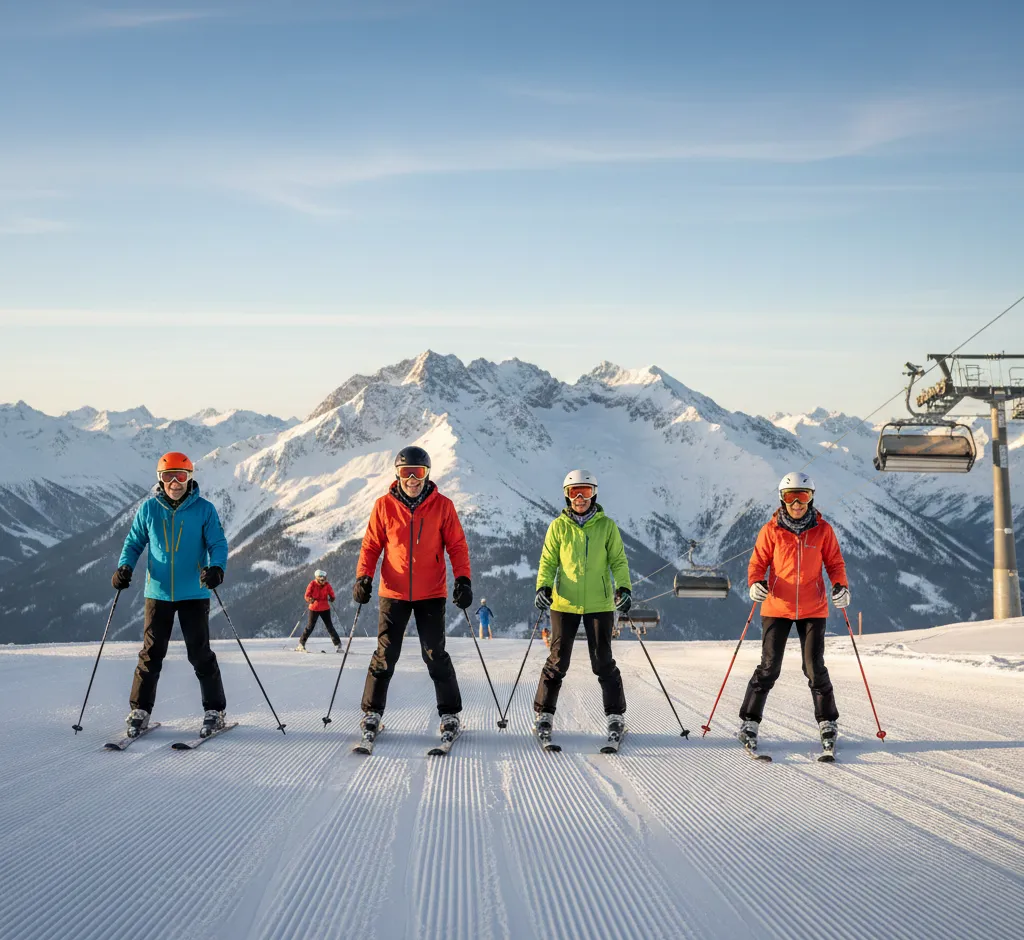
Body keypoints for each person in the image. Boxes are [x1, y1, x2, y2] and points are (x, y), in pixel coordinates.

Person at [353, 446, 473, 743]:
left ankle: (450, 714)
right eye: (407, 472)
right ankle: (372, 713)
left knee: (435, 654)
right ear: (397, 474)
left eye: (418, 473)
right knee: (385, 654)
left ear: (427, 474)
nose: (412, 479)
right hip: (392, 591)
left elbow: (457, 545)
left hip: (431, 592)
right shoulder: (383, 505)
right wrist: (363, 577)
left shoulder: (443, 505)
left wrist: (463, 580)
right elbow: (371, 546)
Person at [111, 451, 229, 739]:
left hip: (194, 592)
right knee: (151, 654)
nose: (174, 482)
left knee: (199, 653)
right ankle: (140, 710)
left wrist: (216, 569)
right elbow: (134, 542)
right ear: (159, 480)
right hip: (158, 593)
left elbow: (218, 543)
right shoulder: (148, 510)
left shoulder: (204, 509)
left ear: (190, 479)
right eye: (168, 476)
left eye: (181, 476)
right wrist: (124, 567)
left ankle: (215, 710)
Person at [740, 471, 851, 755]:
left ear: (811, 499)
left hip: (813, 608)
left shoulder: (823, 531)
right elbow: (757, 563)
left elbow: (835, 564)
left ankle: (827, 721)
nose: (798, 503)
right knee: (769, 667)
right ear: (783, 499)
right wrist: (754, 584)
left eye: (804, 497)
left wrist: (840, 586)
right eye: (792, 497)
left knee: (814, 668)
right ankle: (749, 722)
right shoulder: (771, 530)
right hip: (777, 606)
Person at [532, 469, 632, 741]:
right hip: (564, 603)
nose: (579, 497)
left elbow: (618, 561)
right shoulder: (558, 527)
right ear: (566, 495)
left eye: (585, 492)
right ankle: (544, 715)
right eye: (574, 492)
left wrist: (624, 588)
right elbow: (548, 561)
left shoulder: (606, 526)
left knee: (603, 662)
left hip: (599, 604)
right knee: (557, 661)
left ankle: (615, 716)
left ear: (594, 494)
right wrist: (544, 587)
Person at [297, 569, 341, 652]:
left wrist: (332, 598)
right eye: (321, 579)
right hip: (314, 608)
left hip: (325, 608)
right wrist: (310, 599)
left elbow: (332, 594)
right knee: (310, 627)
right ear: (317, 578)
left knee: (329, 627)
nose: (323, 581)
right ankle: (301, 644)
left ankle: (338, 645)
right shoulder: (312, 584)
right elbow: (307, 595)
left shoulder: (327, 585)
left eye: (324, 579)